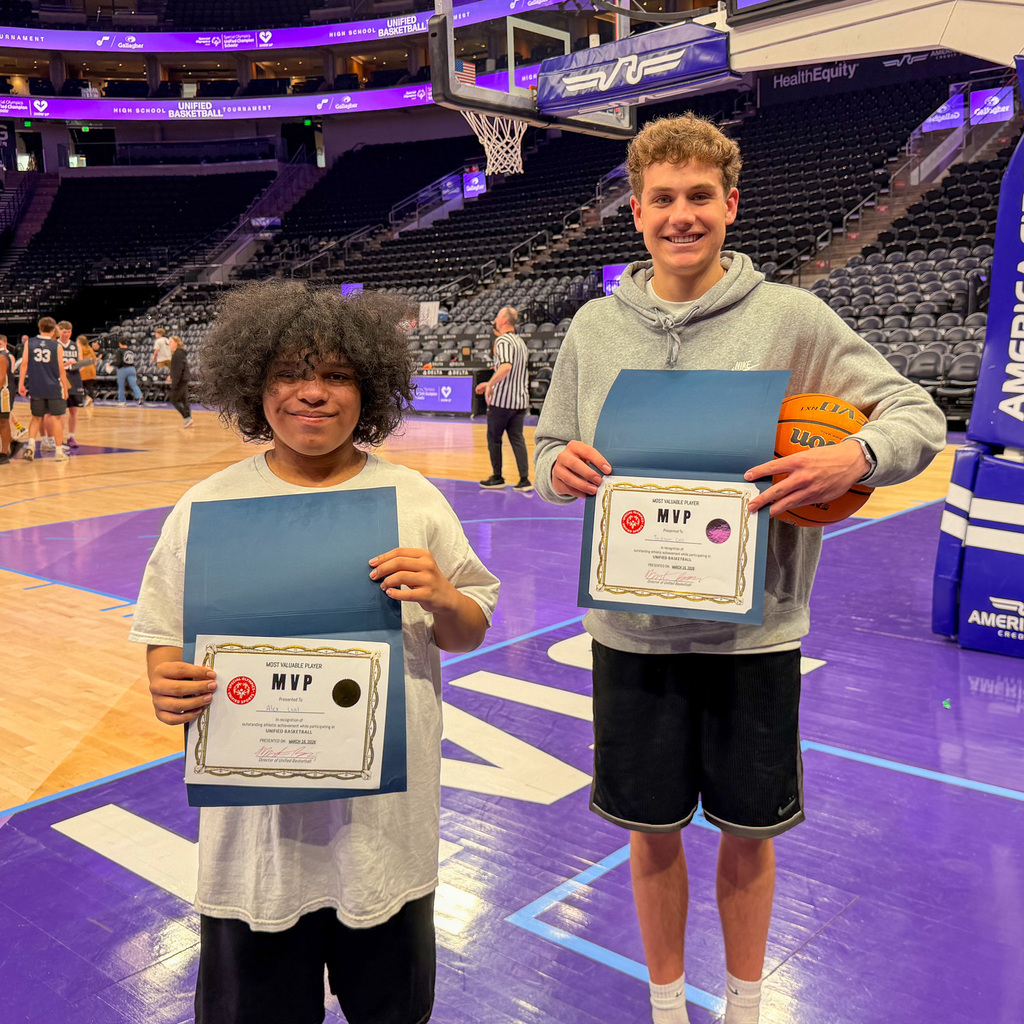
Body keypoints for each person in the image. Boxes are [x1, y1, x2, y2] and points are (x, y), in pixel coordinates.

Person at [533, 114, 947, 1024]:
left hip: (752, 631)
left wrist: (857, 458)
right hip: (631, 628)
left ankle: (749, 1005)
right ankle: (668, 1003)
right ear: (635, 213)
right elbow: (551, 444)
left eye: (700, 199)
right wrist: (553, 467)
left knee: (750, 833)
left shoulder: (792, 318)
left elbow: (916, 412)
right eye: (664, 201)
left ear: (731, 204)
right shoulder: (595, 329)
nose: (682, 216)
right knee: (650, 831)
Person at [129, 280, 499, 1024]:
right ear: (254, 385)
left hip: (384, 837)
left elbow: (467, 627)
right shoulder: (207, 504)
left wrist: (443, 596)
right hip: (256, 844)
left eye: (336, 375)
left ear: (370, 389)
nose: (313, 394)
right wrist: (165, 684)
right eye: (290, 374)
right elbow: (162, 633)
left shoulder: (414, 498)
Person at [474, 306, 532, 492]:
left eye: (498, 317)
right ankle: (524, 480)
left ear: (505, 321)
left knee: (494, 438)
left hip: (502, 402)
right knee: (517, 439)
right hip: (520, 401)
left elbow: (506, 367)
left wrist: (490, 384)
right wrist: (490, 382)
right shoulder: (521, 342)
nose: (495, 320)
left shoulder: (502, 341)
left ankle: (497, 477)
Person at [17, 316, 70, 463]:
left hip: (36, 386)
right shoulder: (56, 346)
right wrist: (65, 388)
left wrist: (21, 384)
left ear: (39, 328)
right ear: (54, 330)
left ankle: (31, 446)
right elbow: (61, 370)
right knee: (56, 419)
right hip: (53, 386)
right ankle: (59, 452)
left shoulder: (30, 342)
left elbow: (24, 364)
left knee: (36, 418)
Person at [57, 320, 84, 451]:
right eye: (64, 331)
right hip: (61, 380)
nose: (66, 334)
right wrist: (66, 364)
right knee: (61, 411)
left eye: (68, 332)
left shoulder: (75, 346)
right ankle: (59, 438)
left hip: (75, 379)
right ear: (58, 331)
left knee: (74, 410)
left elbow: (80, 363)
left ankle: (71, 436)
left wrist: (78, 364)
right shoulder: (55, 345)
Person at [0, 334, 25, 464]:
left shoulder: (3, 356)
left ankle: (4, 453)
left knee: (3, 422)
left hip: (4, 393)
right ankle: (12, 443)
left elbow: (2, 378)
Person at [168, 334, 192, 427]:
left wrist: (174, 382)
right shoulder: (179, 353)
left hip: (180, 380)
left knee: (173, 399)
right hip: (184, 378)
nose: (169, 344)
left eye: (171, 342)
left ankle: (186, 417)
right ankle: (188, 419)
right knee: (184, 399)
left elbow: (178, 369)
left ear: (176, 343)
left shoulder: (177, 354)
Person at [113, 337, 143, 405]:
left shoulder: (119, 351)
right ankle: (139, 396)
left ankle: (122, 401)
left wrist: (111, 363)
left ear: (120, 344)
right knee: (134, 384)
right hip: (132, 368)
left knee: (121, 386)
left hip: (123, 369)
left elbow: (119, 362)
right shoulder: (131, 351)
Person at [77, 334, 98, 405]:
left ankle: (83, 399)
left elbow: (80, 359)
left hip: (84, 367)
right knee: (89, 385)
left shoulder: (79, 347)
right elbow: (95, 359)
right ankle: (90, 398)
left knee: (80, 385)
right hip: (91, 368)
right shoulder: (89, 348)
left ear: (79, 341)